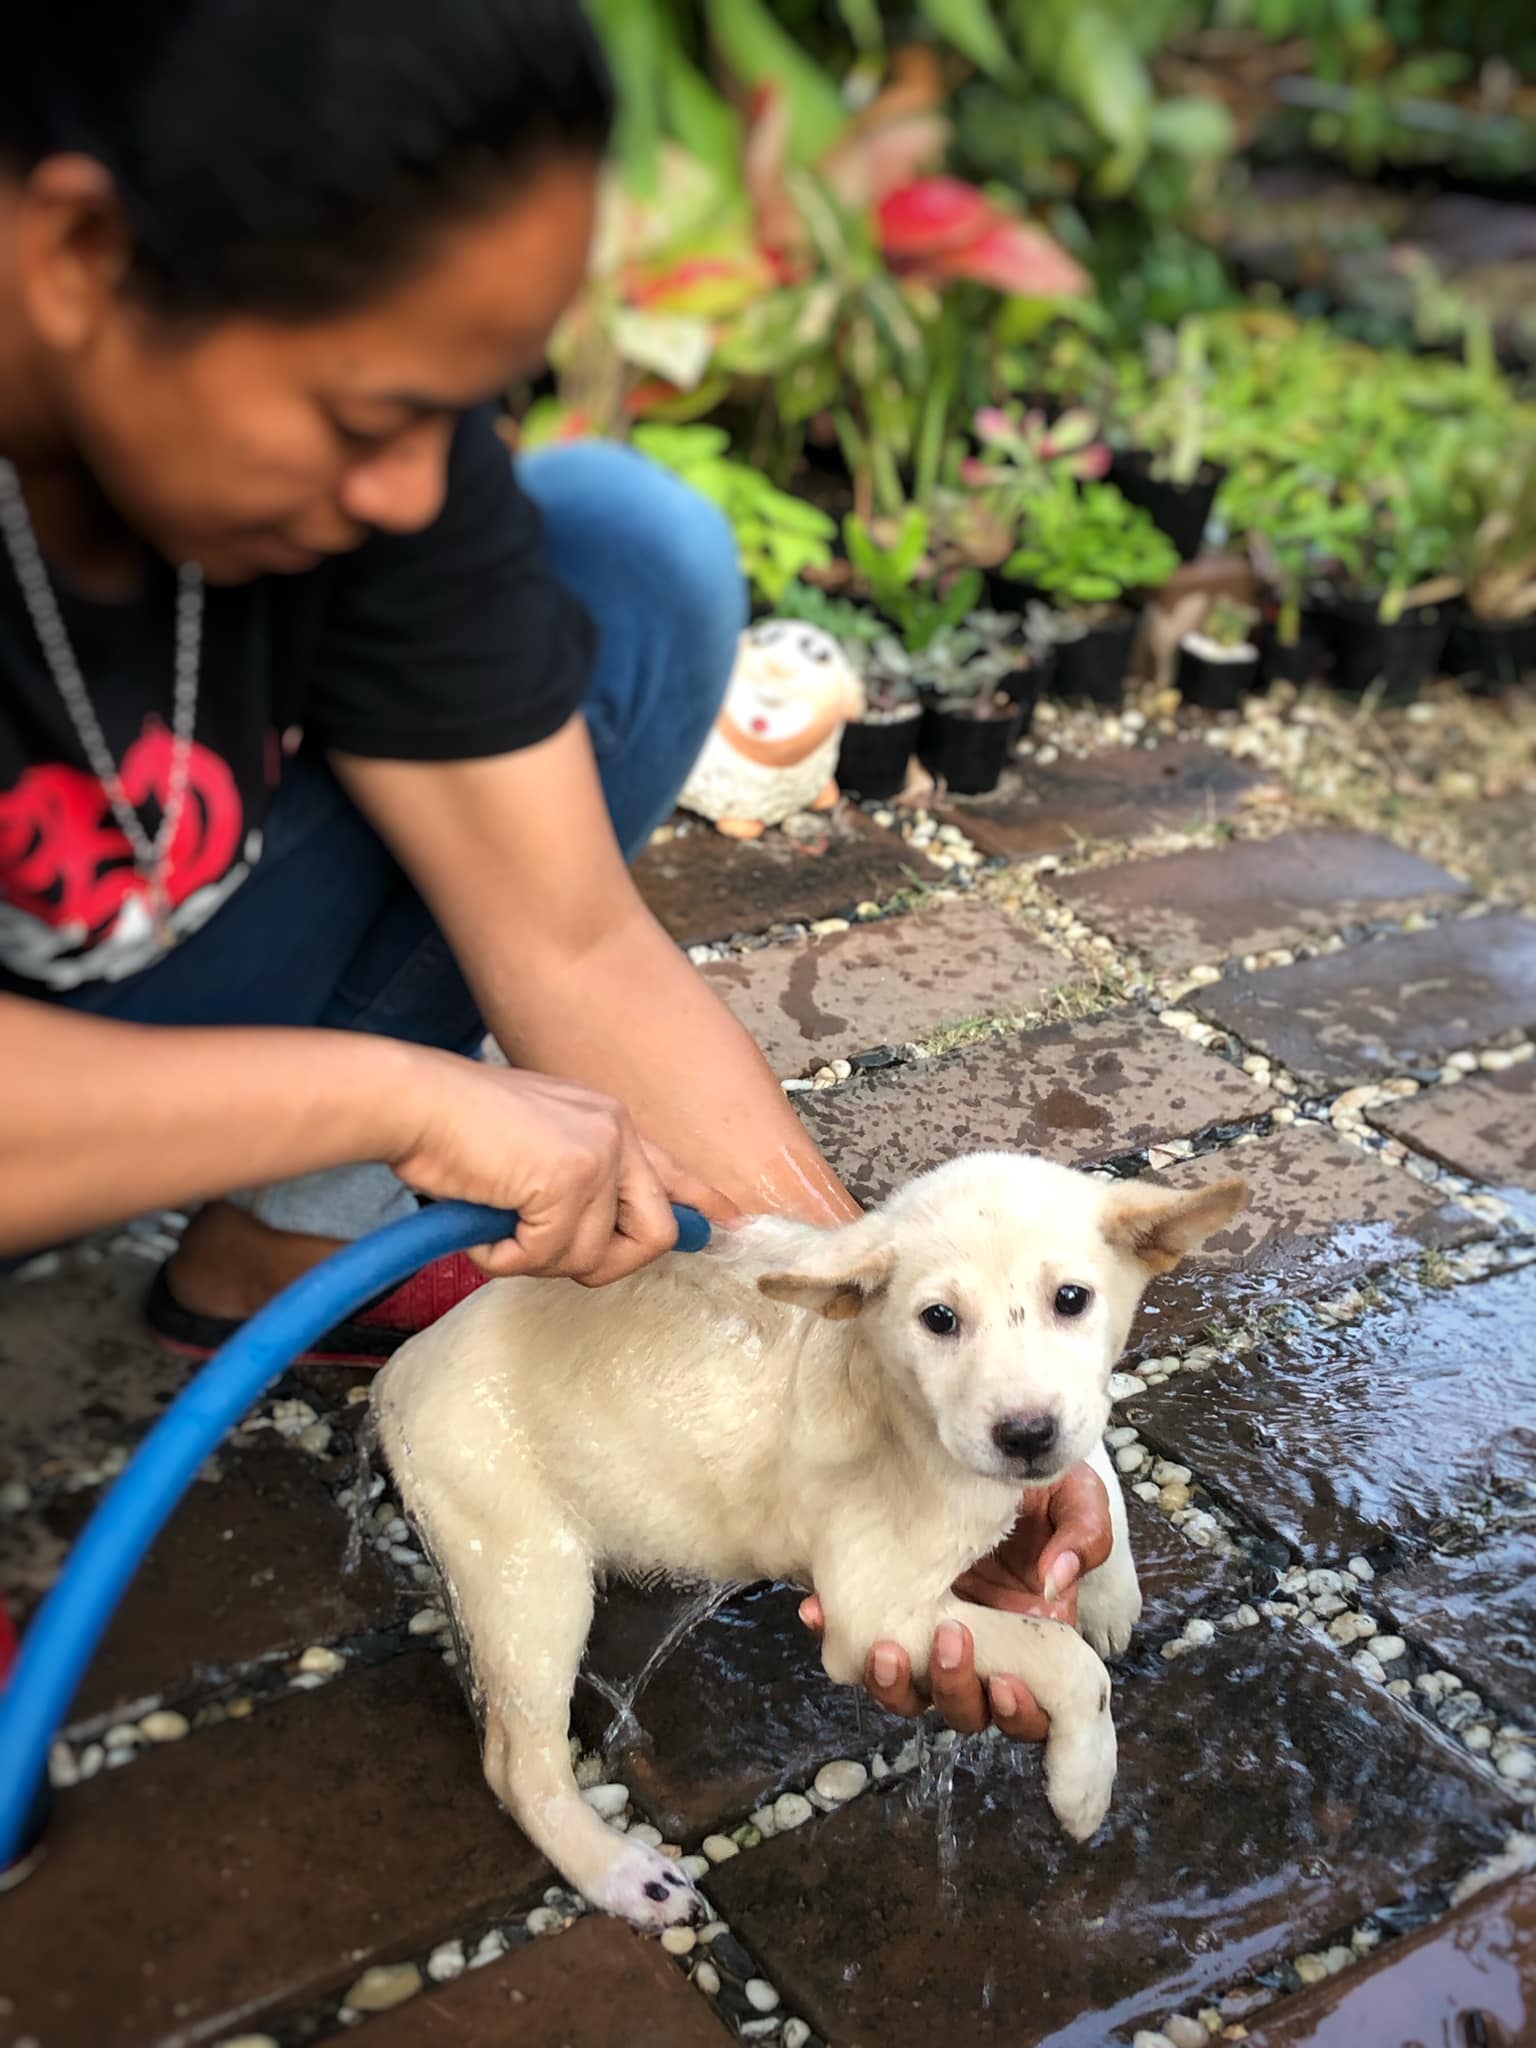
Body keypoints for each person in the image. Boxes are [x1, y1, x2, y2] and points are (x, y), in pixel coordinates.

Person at [0, 0, 1112, 1744]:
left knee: (624, 561)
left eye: (466, 406)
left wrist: (897, 1353)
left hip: (100, 969)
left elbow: (571, 939)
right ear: (75, 248)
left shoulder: (387, 480)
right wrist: (406, 1096)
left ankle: (265, 1251)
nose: (418, 489)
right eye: (368, 409)